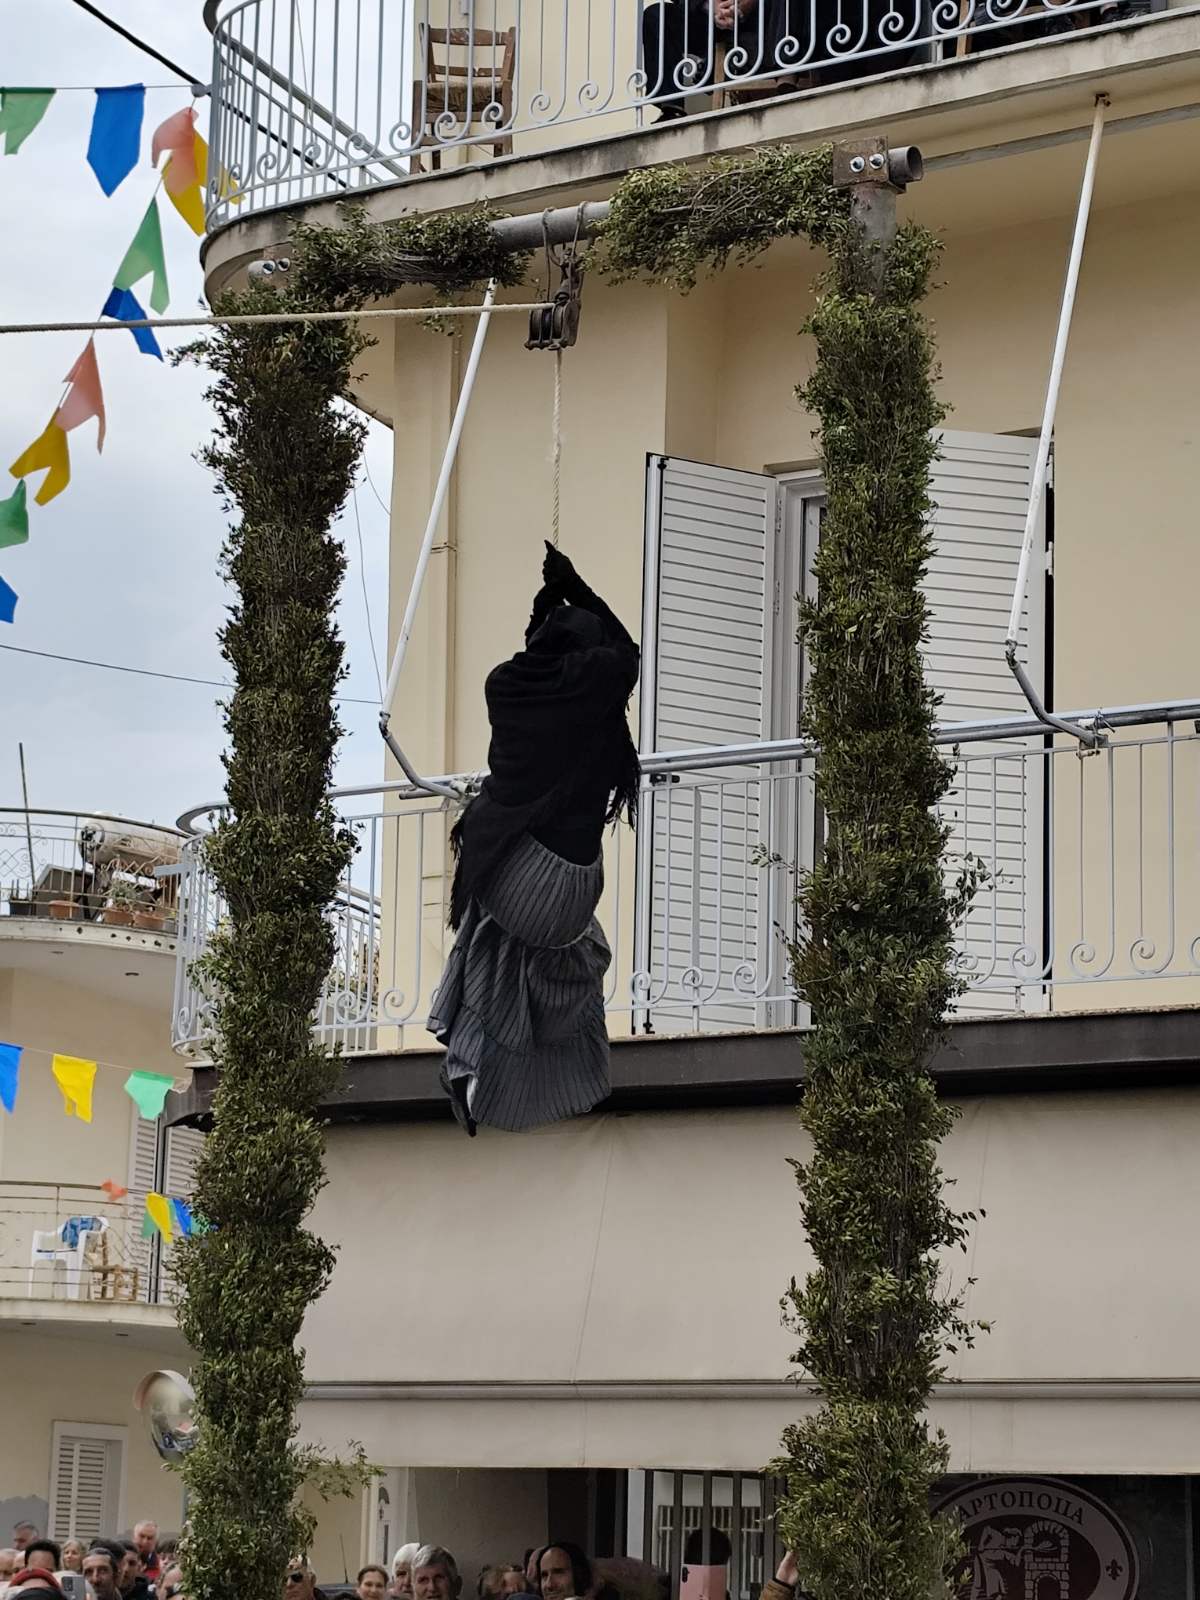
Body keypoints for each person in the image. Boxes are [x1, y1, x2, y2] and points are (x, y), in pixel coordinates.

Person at [430, 543, 640, 1136]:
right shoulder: (594, 690)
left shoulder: (504, 686)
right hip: (572, 890)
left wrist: (547, 603)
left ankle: (468, 1060)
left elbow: (535, 651)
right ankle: (542, 1072)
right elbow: (626, 652)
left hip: (516, 874)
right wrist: (574, 586)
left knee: (486, 932)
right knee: (529, 948)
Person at [640, 0, 797, 117]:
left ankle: (786, 74)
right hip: (708, 19)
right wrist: (712, 6)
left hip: (763, 17)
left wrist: (744, 5)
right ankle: (671, 107)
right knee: (657, 14)